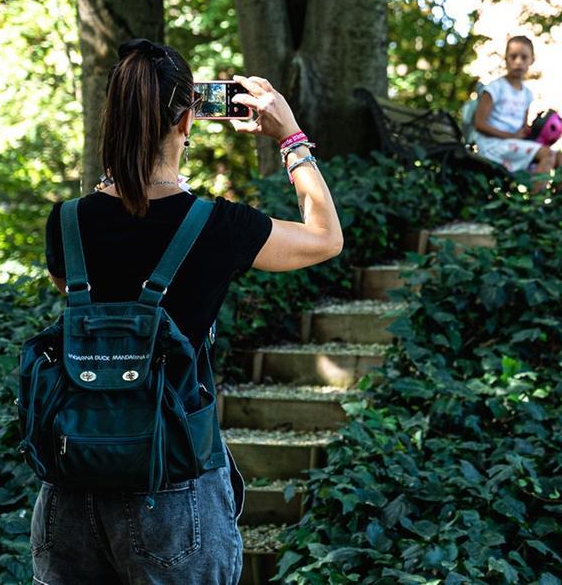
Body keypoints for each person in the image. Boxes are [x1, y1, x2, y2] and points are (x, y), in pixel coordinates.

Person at [32, 38, 341, 584]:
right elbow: (325, 237)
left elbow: (72, 290)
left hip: (71, 486)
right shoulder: (217, 227)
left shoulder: (67, 223)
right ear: (187, 121)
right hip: (172, 489)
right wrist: (290, 137)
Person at [472, 35, 562, 190]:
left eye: (524, 57)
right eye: (513, 57)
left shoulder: (527, 94)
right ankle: (534, 207)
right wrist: (511, 136)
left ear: (531, 60)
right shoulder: (494, 89)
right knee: (547, 155)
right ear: (506, 59)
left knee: (560, 157)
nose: (518, 62)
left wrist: (541, 131)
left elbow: (522, 130)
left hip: (514, 144)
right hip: (493, 146)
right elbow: (479, 124)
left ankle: (561, 205)